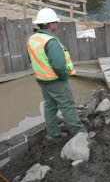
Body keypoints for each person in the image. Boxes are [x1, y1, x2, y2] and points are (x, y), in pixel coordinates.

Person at [27, 8, 86, 140]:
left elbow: (30, 59)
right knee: (68, 106)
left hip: (41, 80)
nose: (57, 24)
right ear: (50, 24)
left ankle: (53, 134)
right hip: (55, 80)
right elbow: (59, 65)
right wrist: (64, 76)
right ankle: (80, 135)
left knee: (50, 106)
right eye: (55, 22)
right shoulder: (51, 41)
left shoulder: (33, 38)